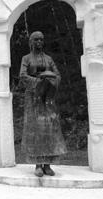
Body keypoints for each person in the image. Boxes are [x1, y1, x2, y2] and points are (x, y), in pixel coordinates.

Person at [19, 31, 67, 177]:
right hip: (33, 98)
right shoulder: (26, 58)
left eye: (41, 39)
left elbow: (57, 75)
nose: (39, 42)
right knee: (35, 130)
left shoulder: (49, 59)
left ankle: (48, 165)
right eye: (36, 40)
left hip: (48, 99)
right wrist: (38, 82)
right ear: (31, 42)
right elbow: (22, 75)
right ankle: (38, 165)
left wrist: (49, 78)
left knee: (49, 130)